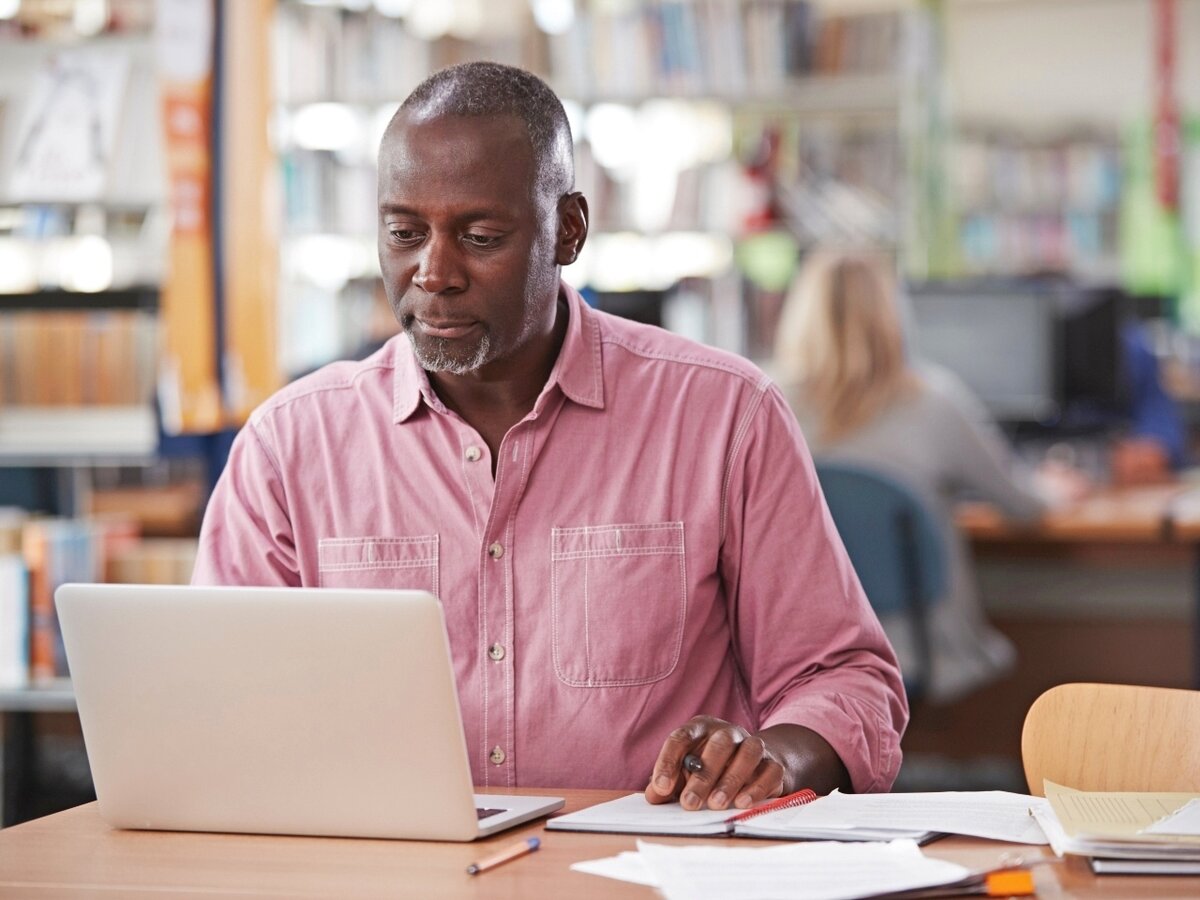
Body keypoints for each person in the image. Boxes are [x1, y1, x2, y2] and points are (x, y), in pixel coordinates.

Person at [191, 62, 906, 810]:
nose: (433, 273)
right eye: (404, 233)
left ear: (567, 230)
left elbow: (846, 679)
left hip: (644, 873)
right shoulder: (290, 445)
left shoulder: (725, 416)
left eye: (480, 235)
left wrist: (777, 758)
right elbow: (215, 706)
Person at [774, 248, 1086, 704]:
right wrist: (1055, 487)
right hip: (919, 645)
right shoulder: (934, 402)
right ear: (891, 313)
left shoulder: (769, 406)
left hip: (807, 650)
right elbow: (1025, 507)